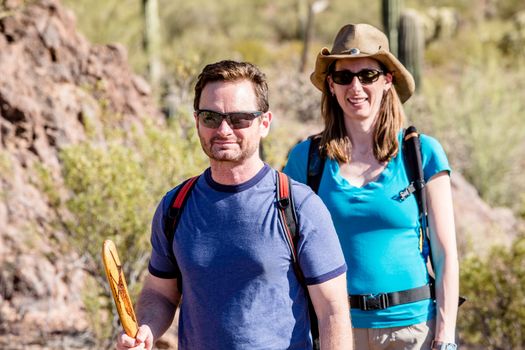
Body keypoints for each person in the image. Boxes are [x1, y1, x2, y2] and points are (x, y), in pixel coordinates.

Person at [117, 60, 353, 350]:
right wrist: (147, 329)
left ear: (264, 123)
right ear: (197, 122)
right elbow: (160, 293)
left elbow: (333, 310)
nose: (224, 129)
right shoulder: (175, 206)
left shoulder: (298, 206)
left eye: (240, 118)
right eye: (211, 117)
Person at [284, 24, 459, 350]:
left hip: (412, 330)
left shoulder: (421, 153)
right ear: (331, 86)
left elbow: (446, 253)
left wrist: (445, 337)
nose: (355, 87)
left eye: (367, 75)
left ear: (387, 80)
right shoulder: (306, 160)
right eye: (343, 77)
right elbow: (287, 251)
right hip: (336, 331)